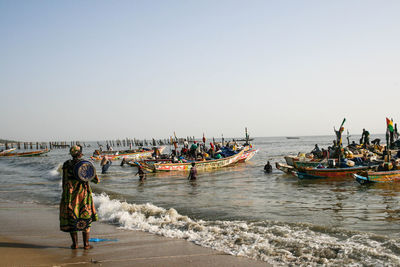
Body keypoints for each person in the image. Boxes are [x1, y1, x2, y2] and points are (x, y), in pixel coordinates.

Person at [60, 145, 99, 250]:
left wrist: (65, 194)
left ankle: (75, 244)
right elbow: (95, 179)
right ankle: (86, 244)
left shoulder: (66, 164)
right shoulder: (85, 164)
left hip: (70, 194)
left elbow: (64, 180)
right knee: (85, 215)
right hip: (83, 194)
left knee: (72, 216)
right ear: (80, 153)